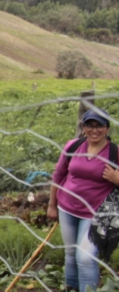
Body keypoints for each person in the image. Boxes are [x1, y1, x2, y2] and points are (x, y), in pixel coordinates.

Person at [47, 108, 119, 292]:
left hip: (97, 213)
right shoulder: (73, 146)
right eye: (90, 125)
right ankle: (71, 288)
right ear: (83, 127)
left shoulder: (115, 153)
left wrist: (117, 179)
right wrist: (52, 205)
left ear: (107, 128)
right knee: (71, 253)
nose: (94, 130)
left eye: (99, 126)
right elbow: (58, 175)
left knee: (85, 257)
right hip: (67, 208)